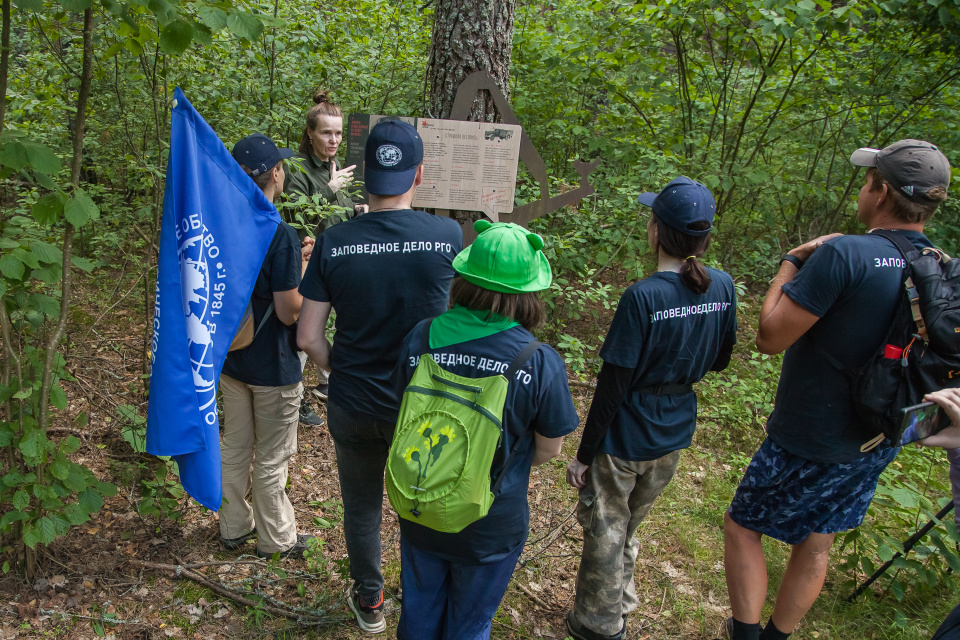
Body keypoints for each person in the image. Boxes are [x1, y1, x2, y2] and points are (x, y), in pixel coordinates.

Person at [722, 139, 951, 640]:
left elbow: (769, 337)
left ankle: (745, 636)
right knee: (818, 540)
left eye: (869, 180)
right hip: (879, 433)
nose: (864, 188)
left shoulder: (846, 254)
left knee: (743, 526)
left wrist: (791, 262)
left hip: (808, 433)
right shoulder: (941, 265)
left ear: (882, 191)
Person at [297, 119, 462, 634]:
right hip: (421, 404)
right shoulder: (447, 236)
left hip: (353, 401)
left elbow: (307, 337)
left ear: (365, 174)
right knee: (422, 505)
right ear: (418, 175)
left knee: (362, 507)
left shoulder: (334, 242)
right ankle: (424, 604)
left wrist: (340, 367)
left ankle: (370, 600)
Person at [563, 177, 738, 640]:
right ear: (704, 238)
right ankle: (620, 602)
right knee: (628, 523)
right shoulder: (722, 286)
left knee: (606, 527)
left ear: (656, 230)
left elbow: (612, 387)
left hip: (627, 434)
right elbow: (720, 359)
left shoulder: (643, 297)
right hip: (675, 430)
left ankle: (598, 625)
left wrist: (584, 454)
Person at [391, 221, 580, 640]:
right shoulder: (538, 361)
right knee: (470, 624)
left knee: (418, 616)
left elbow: (400, 415)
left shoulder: (422, 337)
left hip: (421, 503)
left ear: (463, 280)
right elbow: (549, 448)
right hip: (491, 521)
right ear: (529, 293)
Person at [218, 133, 317, 559]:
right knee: (272, 458)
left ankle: (233, 528)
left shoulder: (221, 222)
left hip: (230, 359)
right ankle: (276, 541)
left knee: (235, 447)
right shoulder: (278, 233)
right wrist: (305, 269)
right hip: (273, 366)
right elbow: (289, 312)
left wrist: (295, 262)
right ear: (275, 172)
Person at [285, 89, 366, 422]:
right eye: (326, 132)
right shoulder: (299, 169)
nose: (333, 140)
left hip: (339, 264)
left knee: (327, 330)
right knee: (302, 333)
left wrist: (357, 211)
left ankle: (327, 386)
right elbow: (296, 220)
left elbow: (338, 214)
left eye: (338, 133)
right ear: (310, 133)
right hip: (308, 266)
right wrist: (328, 191)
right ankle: (293, 399)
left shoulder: (335, 168)